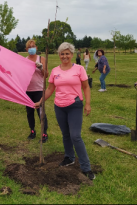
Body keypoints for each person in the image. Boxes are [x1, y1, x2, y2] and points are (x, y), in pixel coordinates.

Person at [35, 42, 95, 180]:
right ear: (59, 55)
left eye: (67, 53)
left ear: (72, 55)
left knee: (75, 136)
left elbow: (86, 87)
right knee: (66, 134)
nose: (64, 56)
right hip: (59, 106)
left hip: (75, 105)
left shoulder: (79, 69)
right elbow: (50, 89)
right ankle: (69, 157)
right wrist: (40, 101)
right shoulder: (55, 71)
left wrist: (88, 104)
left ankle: (86, 167)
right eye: (62, 54)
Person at [25, 39, 49, 143]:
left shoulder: (41, 58)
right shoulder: (25, 60)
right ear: (26, 49)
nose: (32, 48)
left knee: (40, 112)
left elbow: (46, 75)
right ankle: (32, 131)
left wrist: (41, 68)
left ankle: (44, 133)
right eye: (30, 47)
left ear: (36, 48)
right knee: (29, 112)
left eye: (33, 46)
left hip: (39, 89)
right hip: (27, 90)